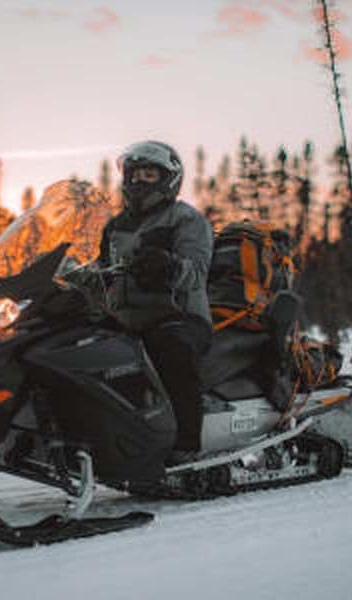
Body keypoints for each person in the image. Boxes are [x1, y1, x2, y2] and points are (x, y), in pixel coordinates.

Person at [97, 141, 213, 464]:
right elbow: (101, 270)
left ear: (168, 179)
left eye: (149, 174)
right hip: (127, 320)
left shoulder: (185, 219)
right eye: (134, 174)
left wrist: (168, 267)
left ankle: (187, 445)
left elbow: (196, 271)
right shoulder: (115, 226)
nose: (139, 181)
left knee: (170, 347)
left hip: (179, 316)